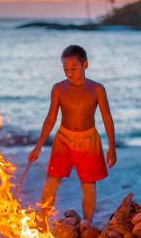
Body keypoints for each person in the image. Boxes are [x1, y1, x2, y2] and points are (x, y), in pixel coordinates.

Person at [27, 44, 117, 226]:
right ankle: (42, 220)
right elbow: (51, 118)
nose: (69, 72)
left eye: (73, 68)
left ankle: (87, 223)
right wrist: (38, 146)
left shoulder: (97, 89)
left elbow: (107, 118)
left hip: (89, 140)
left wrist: (112, 148)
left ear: (85, 65)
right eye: (65, 68)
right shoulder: (58, 88)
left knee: (88, 185)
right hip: (63, 140)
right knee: (52, 181)